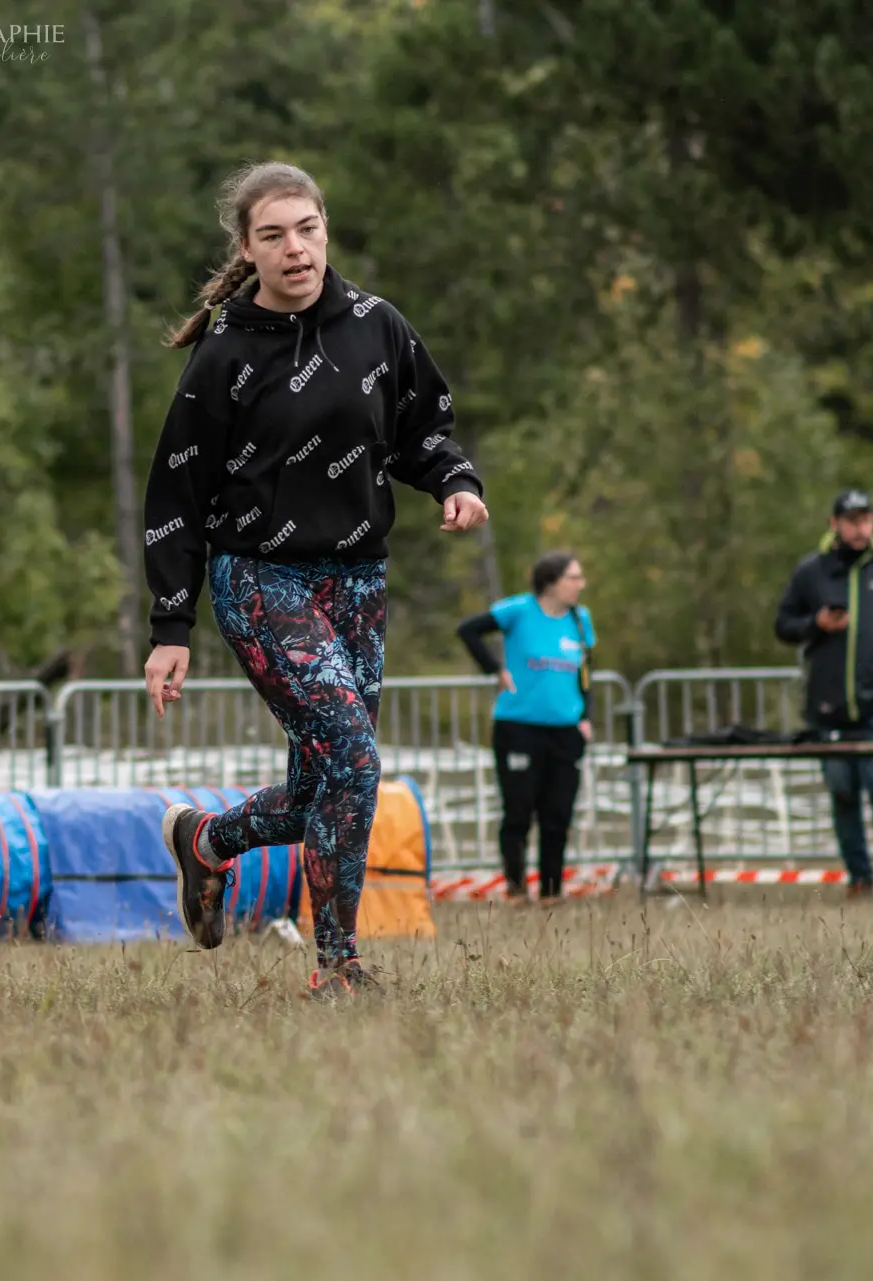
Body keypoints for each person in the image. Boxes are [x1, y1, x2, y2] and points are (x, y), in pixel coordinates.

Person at [139, 159, 489, 998]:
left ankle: (206, 841)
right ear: (248, 250)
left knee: (327, 778)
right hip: (260, 578)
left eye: (308, 228)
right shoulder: (225, 355)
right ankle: (338, 963)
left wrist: (455, 481)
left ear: (326, 229)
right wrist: (170, 628)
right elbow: (177, 494)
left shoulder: (378, 325)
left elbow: (420, 426)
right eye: (273, 235)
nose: (295, 249)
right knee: (356, 763)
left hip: (359, 579)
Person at [774, 489, 873, 896]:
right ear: (835, 524)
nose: (860, 528)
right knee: (843, 793)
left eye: (866, 519)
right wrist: (816, 624)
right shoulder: (811, 571)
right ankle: (859, 877)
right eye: (852, 520)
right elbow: (783, 625)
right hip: (828, 708)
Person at [456, 551, 595, 902]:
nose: (581, 585)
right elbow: (468, 630)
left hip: (565, 731)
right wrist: (494, 669)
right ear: (551, 582)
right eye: (573, 578)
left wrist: (585, 717)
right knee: (519, 811)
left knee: (558, 814)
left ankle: (552, 893)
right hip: (519, 727)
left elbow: (585, 673)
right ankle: (517, 891)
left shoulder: (581, 620)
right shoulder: (518, 610)